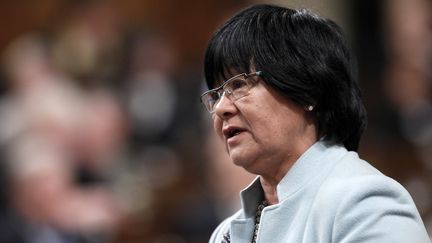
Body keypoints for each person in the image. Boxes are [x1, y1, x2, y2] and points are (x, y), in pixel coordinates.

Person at [199, 4, 430, 243]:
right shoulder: (225, 233)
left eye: (238, 85)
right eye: (216, 95)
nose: (221, 108)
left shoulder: (365, 203)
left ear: (307, 92)